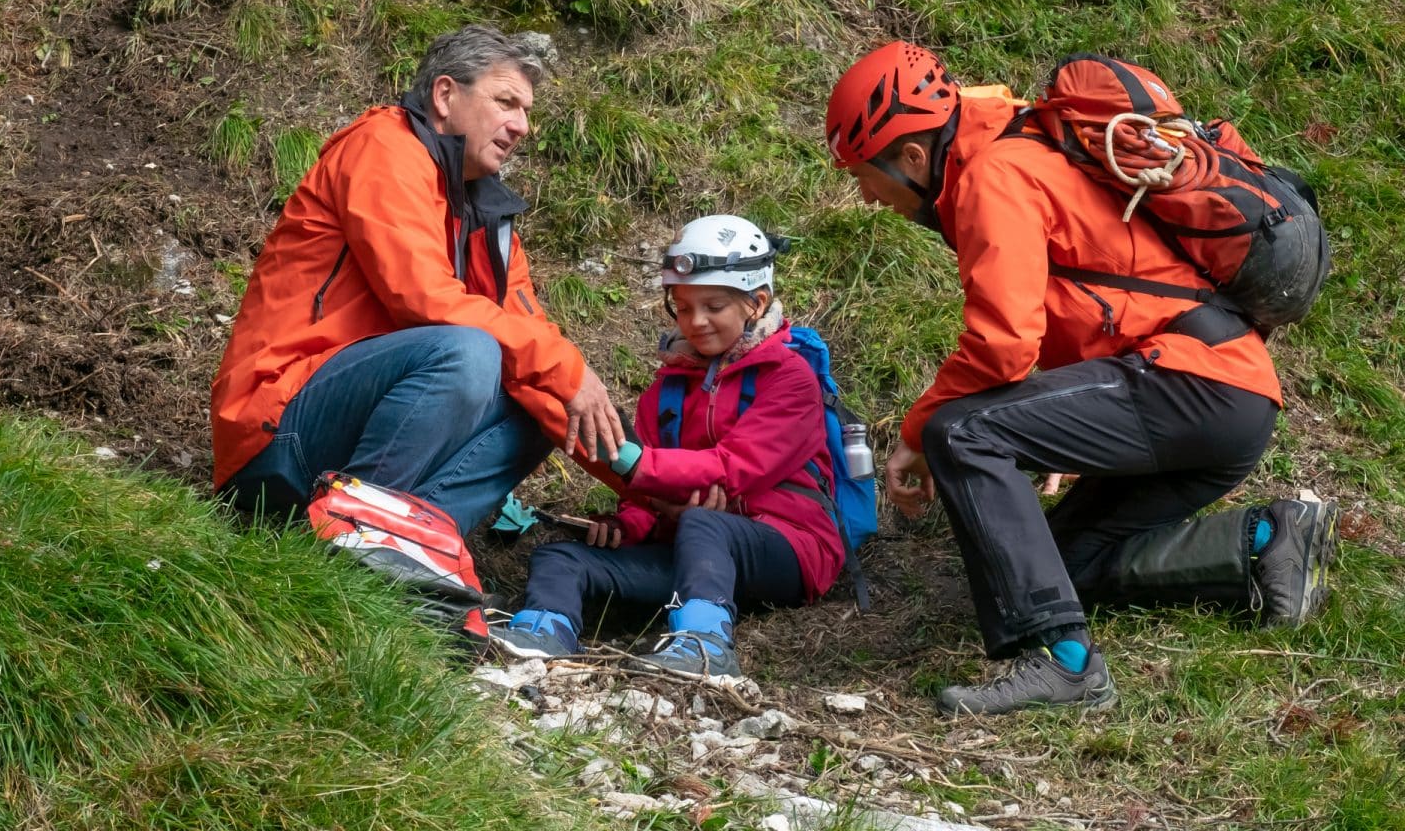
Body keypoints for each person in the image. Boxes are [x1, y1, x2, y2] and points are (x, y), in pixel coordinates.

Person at [825, 41, 1339, 716]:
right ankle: (1267, 542)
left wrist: (917, 433)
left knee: (960, 431)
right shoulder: (1023, 143)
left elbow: (1003, 347)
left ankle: (1065, 665)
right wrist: (1063, 421)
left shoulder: (993, 175)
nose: (867, 197)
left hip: (1192, 383)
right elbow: (1098, 293)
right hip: (1225, 395)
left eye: (866, 176)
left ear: (914, 157)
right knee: (1060, 566)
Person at [211, 25, 624, 534]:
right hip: (276, 425)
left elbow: (537, 352)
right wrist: (567, 369)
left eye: (526, 111)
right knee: (469, 352)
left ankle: (413, 540)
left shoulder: (483, 214)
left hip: (355, 429)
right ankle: (357, 530)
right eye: (506, 102)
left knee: (541, 400)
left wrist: (653, 489)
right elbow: (423, 298)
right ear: (445, 95)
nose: (521, 126)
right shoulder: (384, 146)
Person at [491, 215, 846, 681]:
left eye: (713, 306)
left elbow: (733, 468)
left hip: (790, 546)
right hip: (692, 549)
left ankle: (704, 645)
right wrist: (627, 525)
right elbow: (649, 498)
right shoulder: (666, 391)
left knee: (704, 524)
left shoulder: (790, 379)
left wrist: (638, 465)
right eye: (682, 307)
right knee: (560, 557)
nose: (696, 322)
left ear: (756, 303)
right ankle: (544, 634)